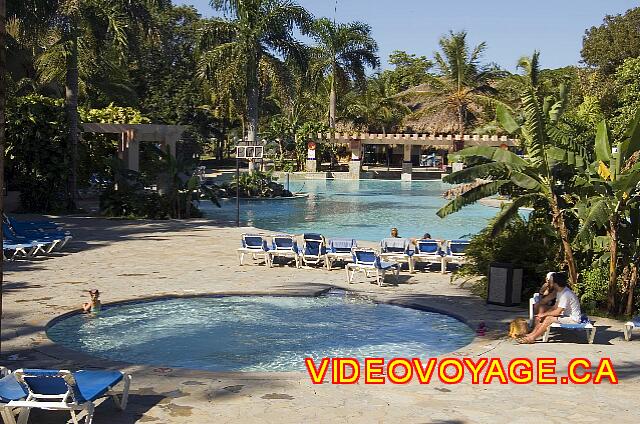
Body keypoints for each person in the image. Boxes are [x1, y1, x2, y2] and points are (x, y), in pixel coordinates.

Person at [518, 272, 581, 344]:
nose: (549, 282)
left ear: (555, 283)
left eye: (550, 281)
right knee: (543, 312)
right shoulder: (560, 291)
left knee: (549, 318)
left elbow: (558, 312)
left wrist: (544, 315)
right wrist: (542, 314)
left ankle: (532, 338)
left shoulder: (566, 294)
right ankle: (532, 334)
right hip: (564, 315)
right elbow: (555, 307)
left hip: (573, 319)